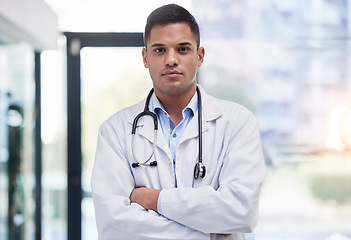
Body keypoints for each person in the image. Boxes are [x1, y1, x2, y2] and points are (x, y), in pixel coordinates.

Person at [91, 4, 265, 240]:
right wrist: (211, 232)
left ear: (199, 56)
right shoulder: (115, 131)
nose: (171, 59)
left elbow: (241, 212)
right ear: (145, 57)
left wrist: (153, 199)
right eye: (160, 50)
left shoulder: (237, 122)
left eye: (182, 49)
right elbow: (115, 228)